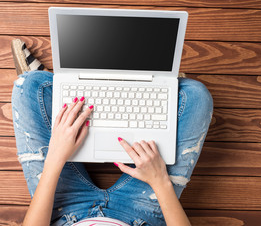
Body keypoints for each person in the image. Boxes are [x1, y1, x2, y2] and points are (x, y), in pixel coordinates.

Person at [11, 39, 213, 226]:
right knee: (195, 96)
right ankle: (156, 87)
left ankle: (63, 87)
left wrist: (54, 157)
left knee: (29, 84)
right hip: (141, 214)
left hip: (63, 210)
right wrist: (160, 182)